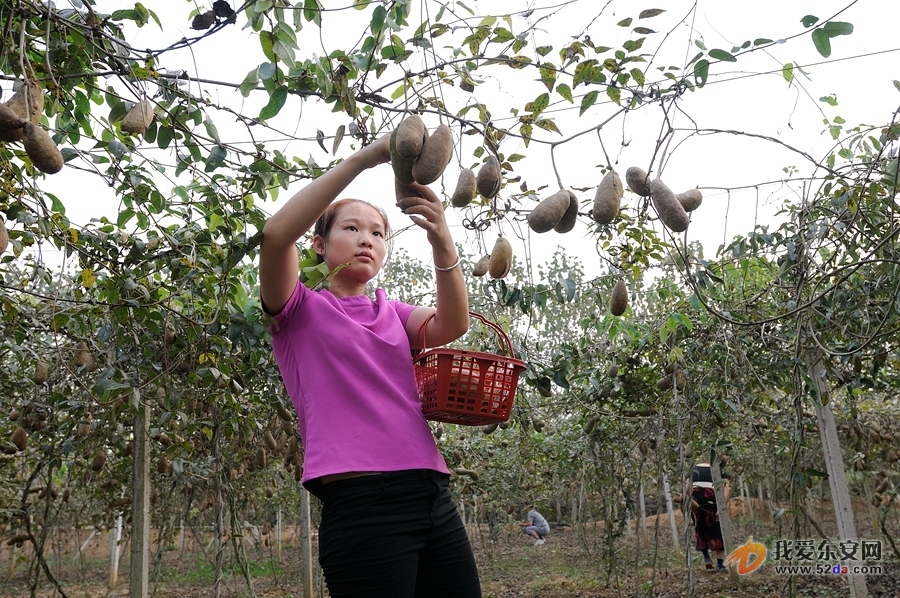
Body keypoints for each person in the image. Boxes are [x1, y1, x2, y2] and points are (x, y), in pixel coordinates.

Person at [259, 132, 480, 597]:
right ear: (318, 244)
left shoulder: (392, 312)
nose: (367, 239)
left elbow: (453, 324)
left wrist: (442, 238)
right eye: (352, 228)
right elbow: (276, 236)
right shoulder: (298, 309)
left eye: (378, 233)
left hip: (432, 495)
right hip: (362, 504)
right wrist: (367, 158)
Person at [687, 457, 731, 572]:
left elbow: (686, 486)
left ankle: (707, 557)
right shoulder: (720, 471)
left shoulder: (694, 469)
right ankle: (720, 565)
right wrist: (721, 507)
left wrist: (689, 503)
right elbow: (727, 490)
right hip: (711, 499)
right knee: (717, 530)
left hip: (695, 499)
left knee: (700, 527)